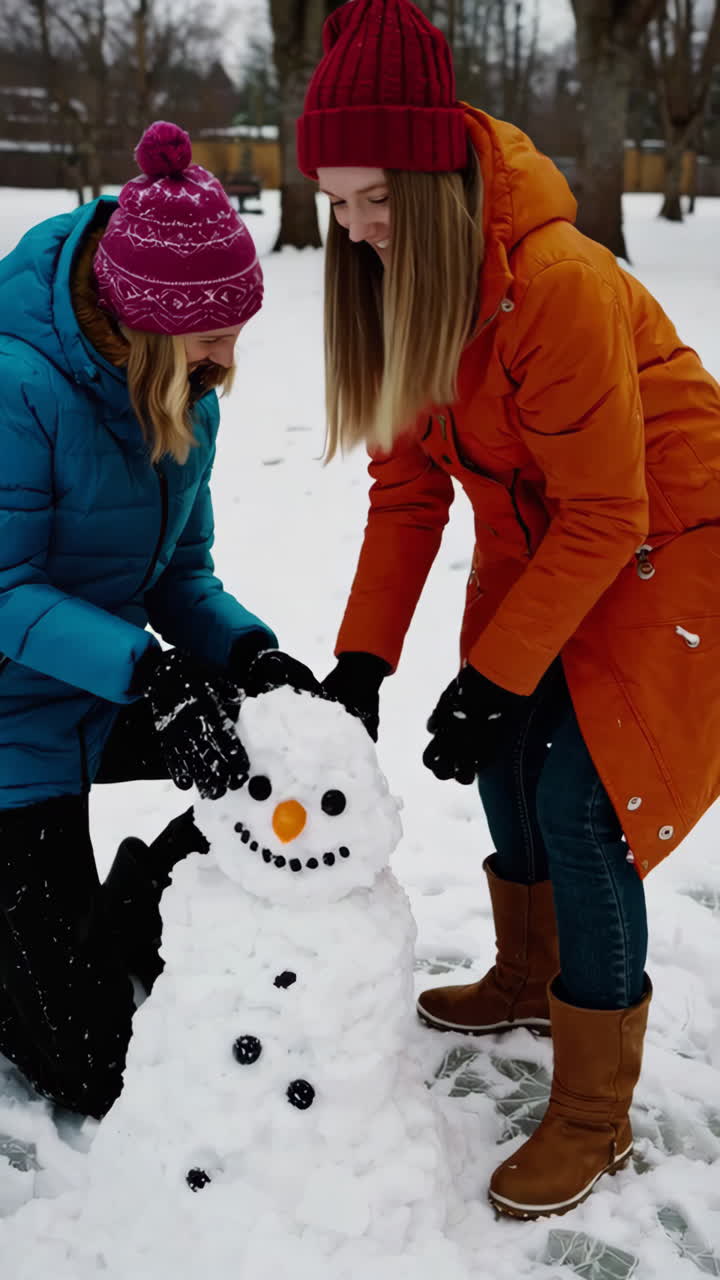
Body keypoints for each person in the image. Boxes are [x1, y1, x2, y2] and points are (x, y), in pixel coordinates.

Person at [300, 0, 720, 1220]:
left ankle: (593, 1112)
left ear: (435, 179)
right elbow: (404, 490)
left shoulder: (557, 282)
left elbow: (610, 509)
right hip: (557, 540)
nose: (355, 230)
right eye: (335, 202)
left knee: (580, 800)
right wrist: (364, 663)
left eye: (375, 199)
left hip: (670, 539)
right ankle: (531, 974)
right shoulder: (398, 288)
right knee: (502, 762)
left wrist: (500, 670)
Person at [0, 121, 305, 1121]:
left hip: (98, 688)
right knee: (97, 1075)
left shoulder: (187, 395)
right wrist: (155, 678)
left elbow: (180, 574)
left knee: (270, 755)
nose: (230, 354)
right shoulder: (18, 385)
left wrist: (253, 657)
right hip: (11, 730)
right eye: (213, 332)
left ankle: (133, 899)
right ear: (144, 320)